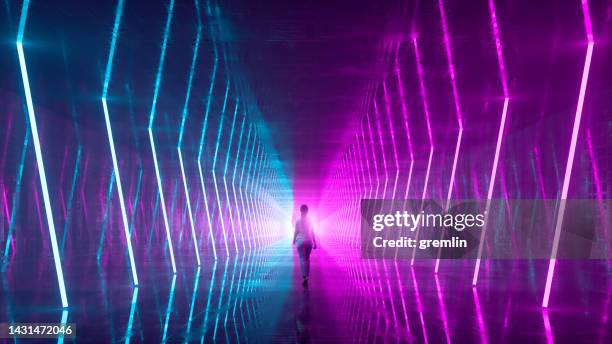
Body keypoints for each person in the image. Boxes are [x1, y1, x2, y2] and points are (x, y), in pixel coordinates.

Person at [292, 204, 317, 287]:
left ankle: (304, 276)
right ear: (307, 211)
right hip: (309, 241)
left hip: (300, 241)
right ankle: (307, 276)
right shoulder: (310, 220)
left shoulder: (298, 221)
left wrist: (293, 240)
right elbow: (312, 232)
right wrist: (315, 242)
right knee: (307, 259)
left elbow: (296, 231)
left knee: (302, 259)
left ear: (300, 210)